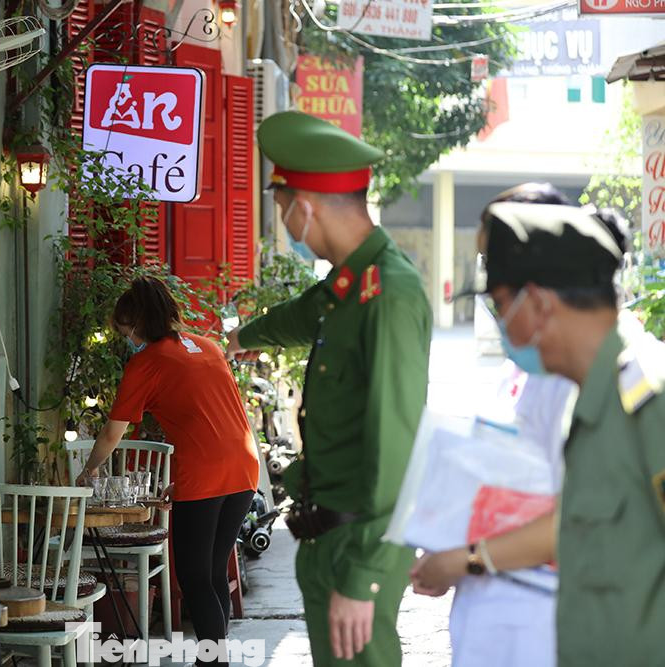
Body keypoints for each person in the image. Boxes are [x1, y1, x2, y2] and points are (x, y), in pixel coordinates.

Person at [225, 111, 432, 666]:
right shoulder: (349, 285)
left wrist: (364, 575)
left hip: (358, 544)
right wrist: (240, 336)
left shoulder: (389, 294)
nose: (282, 219)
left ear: (303, 206)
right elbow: (301, 316)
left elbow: (397, 445)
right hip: (324, 536)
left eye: (279, 205)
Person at [424, 198, 665, 665]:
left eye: (499, 304)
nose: (500, 325)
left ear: (537, 303)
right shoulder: (588, 401)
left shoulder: (648, 398)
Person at [409, 183, 578, 667]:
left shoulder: (579, 381)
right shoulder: (521, 368)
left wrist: (466, 558)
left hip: (543, 627)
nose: (489, 285)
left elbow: (578, 519)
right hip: (493, 625)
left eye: (495, 265)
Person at [75, 276, 259, 665]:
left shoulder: (146, 363)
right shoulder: (207, 346)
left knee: (193, 578)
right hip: (243, 468)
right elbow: (213, 419)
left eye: (126, 331)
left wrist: (89, 470)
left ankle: (215, 661)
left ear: (137, 324)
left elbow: (112, 433)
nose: (127, 339)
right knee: (211, 574)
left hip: (205, 474)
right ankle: (214, 658)